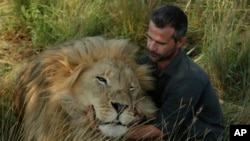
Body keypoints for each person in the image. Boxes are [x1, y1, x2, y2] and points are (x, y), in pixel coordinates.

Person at [125, 5, 225, 141]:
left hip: (197, 136)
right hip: (166, 125)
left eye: (160, 43)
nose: (151, 47)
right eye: (149, 38)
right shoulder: (146, 62)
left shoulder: (189, 79)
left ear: (180, 42)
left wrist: (110, 132)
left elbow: (158, 131)